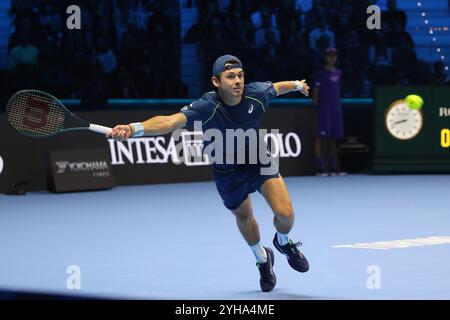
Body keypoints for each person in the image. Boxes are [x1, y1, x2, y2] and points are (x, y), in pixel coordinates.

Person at [107, 55, 310, 292]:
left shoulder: (257, 94)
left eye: (241, 75)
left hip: (258, 159)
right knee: (244, 217)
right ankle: (263, 258)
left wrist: (297, 84)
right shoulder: (207, 105)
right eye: (231, 76)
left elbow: (276, 87)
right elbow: (171, 122)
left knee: (285, 214)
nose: (238, 81)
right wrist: (135, 128)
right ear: (216, 81)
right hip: (227, 171)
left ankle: (283, 242)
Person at [312, 48, 346, 176]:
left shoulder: (339, 73)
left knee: (334, 138)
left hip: (336, 109)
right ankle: (320, 167)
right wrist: (317, 106)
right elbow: (315, 92)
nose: (331, 58)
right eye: (329, 56)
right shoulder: (320, 74)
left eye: (333, 56)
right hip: (324, 109)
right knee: (320, 138)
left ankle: (334, 167)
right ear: (325, 58)